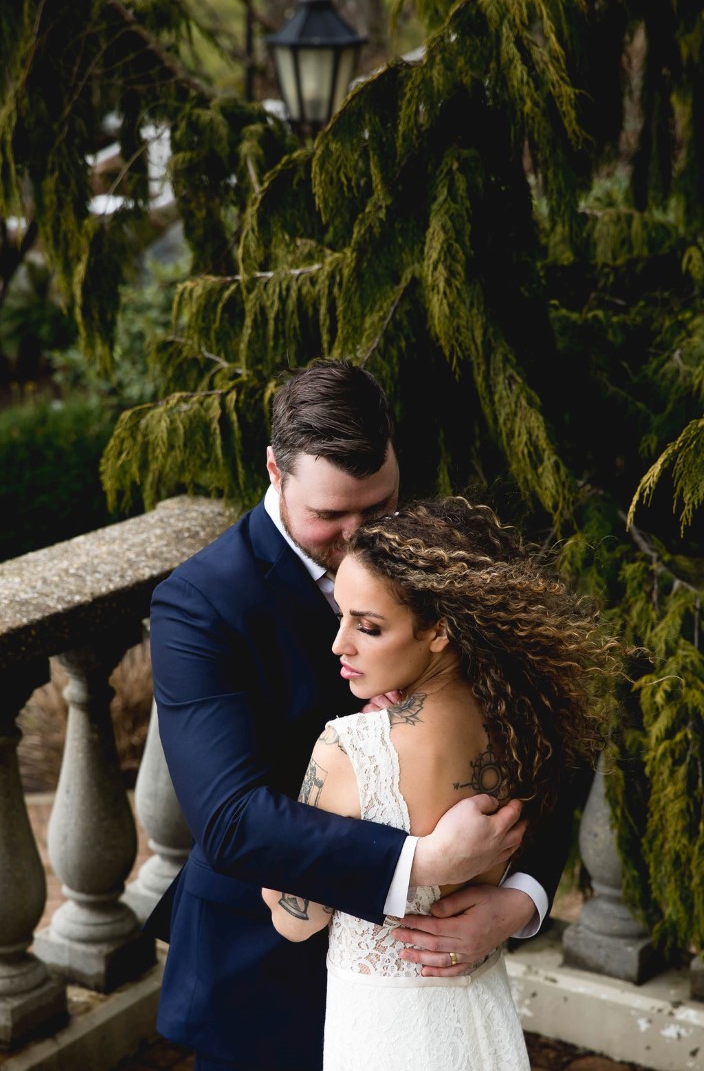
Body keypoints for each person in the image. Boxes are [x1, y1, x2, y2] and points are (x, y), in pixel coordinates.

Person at [146, 359, 575, 1071]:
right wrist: (425, 862)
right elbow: (228, 819)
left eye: (376, 508)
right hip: (260, 978)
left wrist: (522, 901)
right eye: (328, 515)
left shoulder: (441, 561)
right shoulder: (199, 605)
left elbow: (553, 726)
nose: (355, 537)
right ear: (275, 473)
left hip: (425, 989)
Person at [263, 496, 618, 1070]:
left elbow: (291, 918)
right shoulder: (525, 725)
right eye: (341, 616)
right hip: (482, 1015)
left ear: (438, 632)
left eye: (369, 627)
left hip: (385, 1034)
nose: (340, 644)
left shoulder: (350, 749)